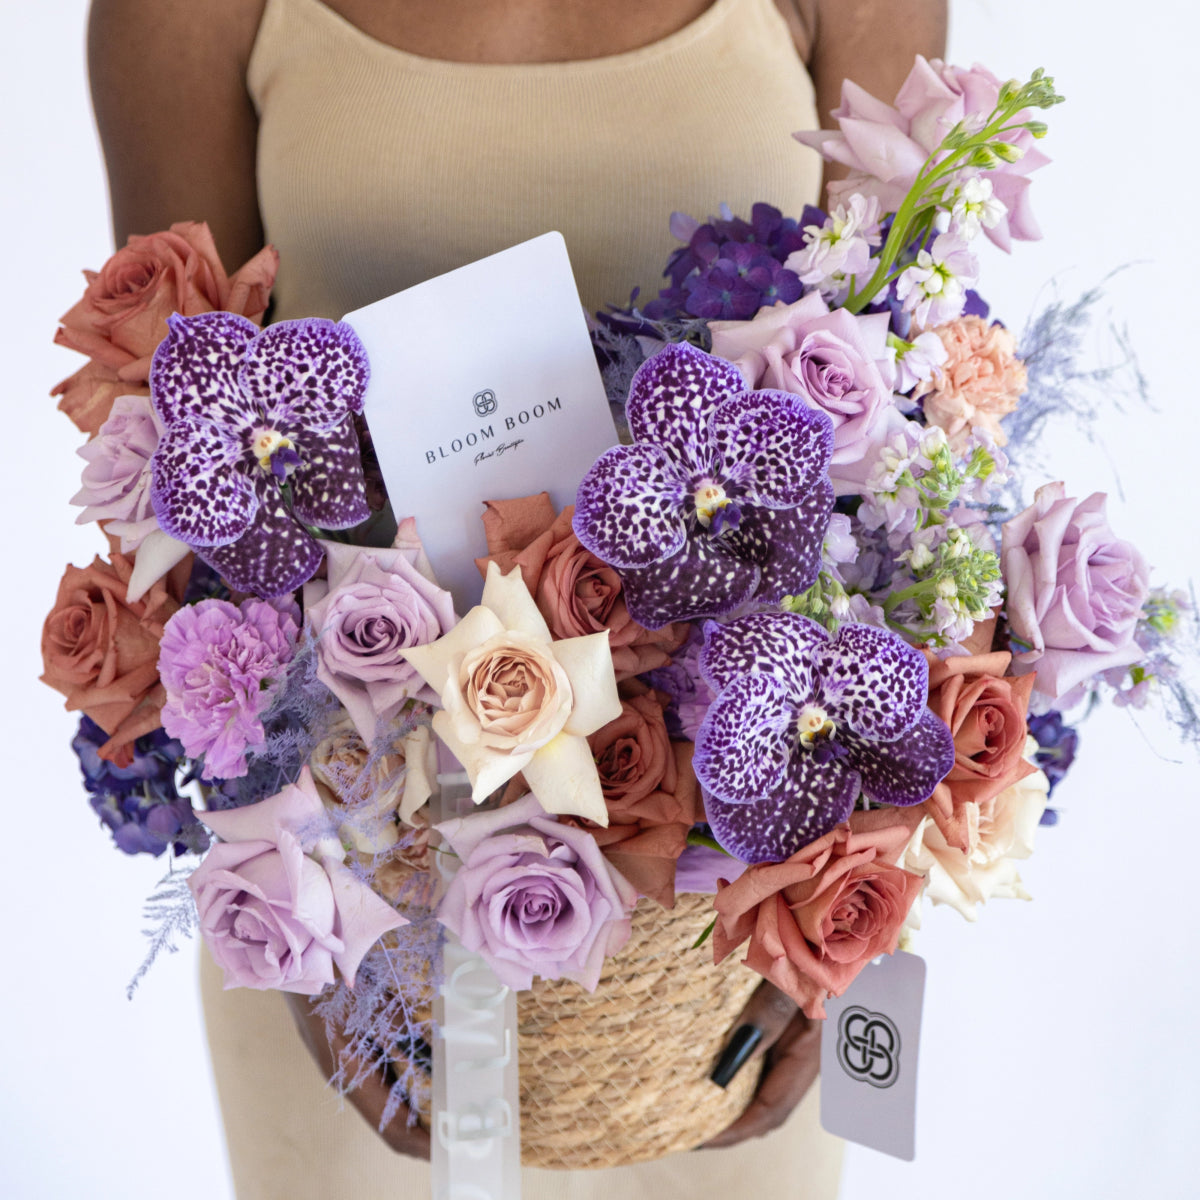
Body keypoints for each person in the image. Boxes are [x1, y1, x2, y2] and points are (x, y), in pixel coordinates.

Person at [86, 1, 946, 1195]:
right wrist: (290, 907)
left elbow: (924, 439)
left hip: (730, 959)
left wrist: (859, 960)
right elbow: (189, 489)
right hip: (359, 942)